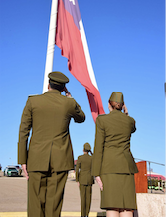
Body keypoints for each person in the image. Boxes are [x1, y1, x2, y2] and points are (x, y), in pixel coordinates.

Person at [18, 71, 85, 217]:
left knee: (35, 204)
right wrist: (70, 97)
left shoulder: (32, 101)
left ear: (48, 85)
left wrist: (23, 160)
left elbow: (24, 131)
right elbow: (81, 118)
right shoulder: (69, 103)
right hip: (60, 160)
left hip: (36, 159)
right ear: (63, 88)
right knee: (54, 205)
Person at [91, 92, 138, 217]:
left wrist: (96, 172)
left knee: (112, 207)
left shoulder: (102, 120)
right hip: (126, 168)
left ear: (109, 105)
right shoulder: (130, 121)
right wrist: (126, 114)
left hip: (109, 167)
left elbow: (98, 147)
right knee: (127, 207)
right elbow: (133, 128)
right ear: (122, 106)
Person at [76, 142, 94, 217]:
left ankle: (82, 214)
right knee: (88, 198)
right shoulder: (91, 158)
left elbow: (77, 170)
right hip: (89, 179)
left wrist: (77, 180)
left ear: (83, 150)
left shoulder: (80, 158)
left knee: (83, 198)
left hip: (82, 179)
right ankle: (87, 213)